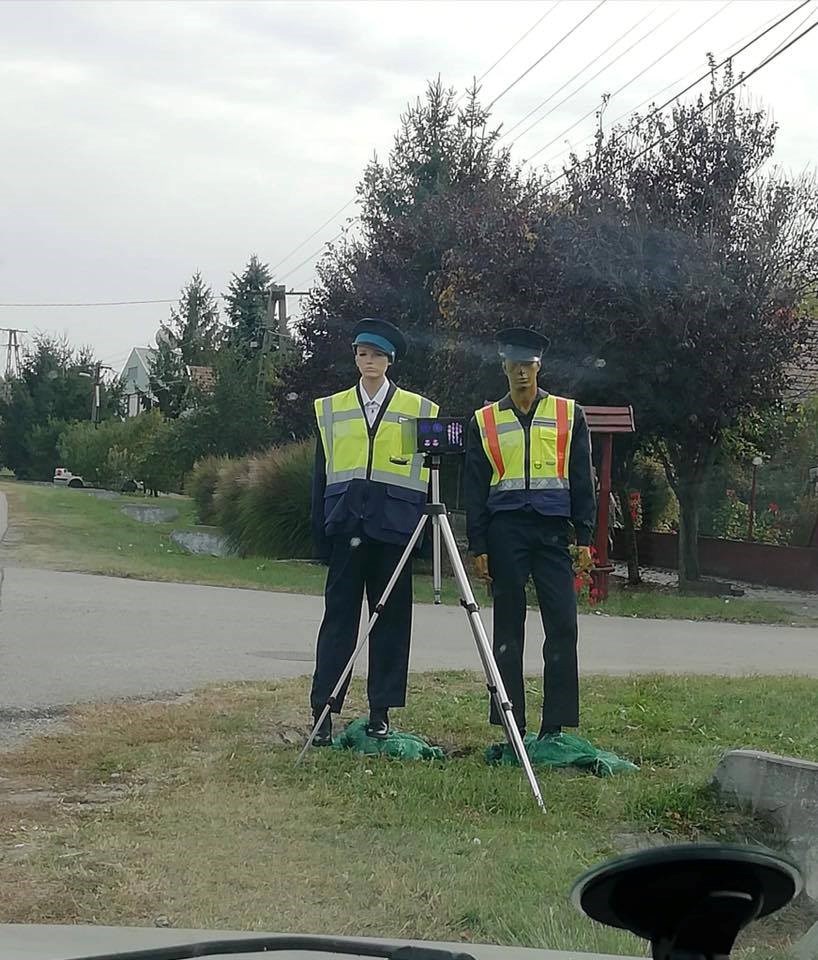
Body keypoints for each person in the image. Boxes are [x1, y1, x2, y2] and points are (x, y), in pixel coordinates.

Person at [310, 318, 439, 744]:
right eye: (363, 354)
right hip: (346, 526)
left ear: (390, 360)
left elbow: (430, 478)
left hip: (395, 531)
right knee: (339, 622)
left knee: (391, 623)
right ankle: (323, 711)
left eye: (377, 355)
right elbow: (320, 474)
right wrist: (320, 535)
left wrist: (421, 539)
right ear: (355, 358)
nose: (369, 362)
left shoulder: (420, 410)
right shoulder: (332, 408)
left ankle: (381, 710)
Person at [464, 327, 596, 740]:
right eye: (514, 365)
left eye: (529, 365)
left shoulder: (568, 413)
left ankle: (554, 726)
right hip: (505, 530)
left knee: (563, 624)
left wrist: (586, 537)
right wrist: (478, 543)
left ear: (540, 366)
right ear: (503, 366)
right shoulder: (484, 420)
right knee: (508, 627)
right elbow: (472, 486)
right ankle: (510, 721)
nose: (522, 372)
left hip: (552, 530)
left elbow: (581, 478)